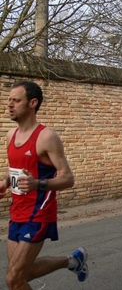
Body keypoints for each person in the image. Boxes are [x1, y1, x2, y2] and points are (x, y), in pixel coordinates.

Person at [0, 81, 88, 289]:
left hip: (39, 213)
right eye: (9, 100)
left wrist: (37, 184)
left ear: (32, 103)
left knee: (13, 279)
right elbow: (16, 170)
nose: (10, 104)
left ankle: (73, 261)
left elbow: (68, 178)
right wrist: (4, 182)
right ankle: (73, 261)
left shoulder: (47, 137)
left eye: (16, 100)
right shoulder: (10, 135)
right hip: (17, 211)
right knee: (22, 273)